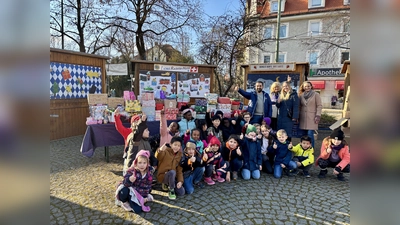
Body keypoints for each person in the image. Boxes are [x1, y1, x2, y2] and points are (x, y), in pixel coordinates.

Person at [115, 111, 157, 176]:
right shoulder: (133, 136)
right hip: (131, 160)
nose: (148, 132)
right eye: (137, 121)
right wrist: (117, 117)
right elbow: (120, 127)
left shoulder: (145, 140)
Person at [298, 81, 322, 148]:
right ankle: (302, 149)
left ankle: (311, 150)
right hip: (303, 118)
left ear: (311, 86)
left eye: (308, 86)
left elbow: (319, 105)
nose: (307, 87)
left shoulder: (316, 94)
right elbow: (299, 106)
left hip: (312, 118)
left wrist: (318, 115)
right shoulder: (301, 95)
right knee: (303, 135)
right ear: (303, 87)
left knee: (310, 135)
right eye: (305, 86)